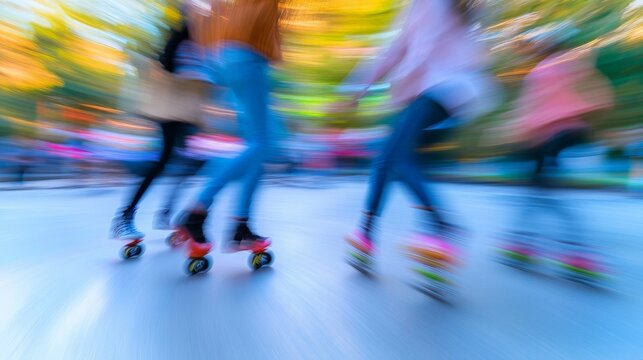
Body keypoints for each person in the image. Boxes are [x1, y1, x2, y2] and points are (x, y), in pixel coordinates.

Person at [332, 0, 498, 275]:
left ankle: (441, 226)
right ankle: (366, 234)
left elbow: (412, 48)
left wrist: (364, 89)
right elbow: (401, 47)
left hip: (437, 88)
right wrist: (361, 87)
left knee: (396, 157)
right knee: (387, 159)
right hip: (451, 94)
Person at [498, 34, 614, 282]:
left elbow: (532, 107)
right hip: (567, 134)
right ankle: (524, 241)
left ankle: (572, 250)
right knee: (537, 190)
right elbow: (600, 93)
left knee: (543, 191)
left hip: (546, 138)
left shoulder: (542, 71)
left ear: (542, 49)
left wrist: (516, 133)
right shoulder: (570, 63)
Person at [175, 0, 282, 266]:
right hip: (248, 56)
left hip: (225, 56)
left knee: (255, 149)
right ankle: (197, 210)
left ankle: (240, 227)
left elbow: (206, 9)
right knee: (260, 144)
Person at [110, 2, 213, 241]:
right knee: (164, 160)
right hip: (171, 109)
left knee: (188, 161)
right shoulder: (182, 32)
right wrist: (191, 73)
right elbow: (166, 63)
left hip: (187, 111)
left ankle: (165, 214)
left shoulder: (204, 39)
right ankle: (124, 218)